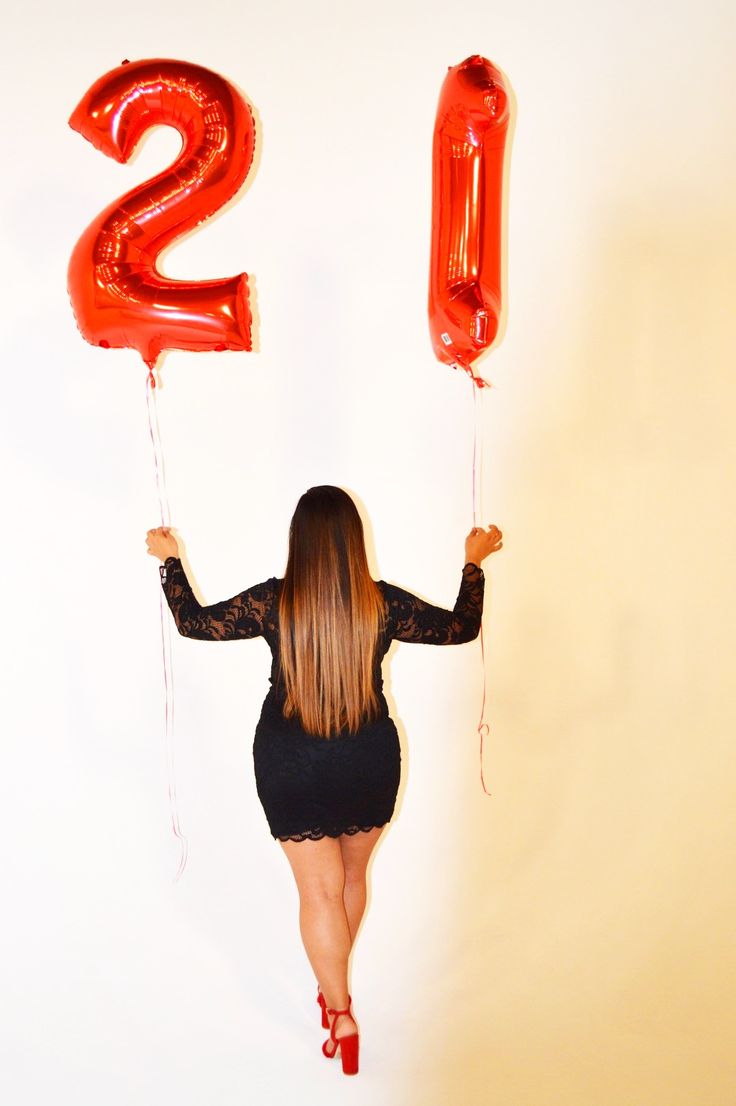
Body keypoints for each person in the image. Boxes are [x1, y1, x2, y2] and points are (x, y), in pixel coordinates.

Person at [146, 485, 502, 1075]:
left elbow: (195, 624)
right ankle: (336, 991)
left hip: (292, 759)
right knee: (352, 877)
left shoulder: (273, 601)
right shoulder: (381, 603)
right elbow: (461, 628)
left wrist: (170, 560)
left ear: (299, 542)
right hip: (367, 757)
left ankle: (339, 1009)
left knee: (318, 892)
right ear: (352, 543)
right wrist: (473, 563)